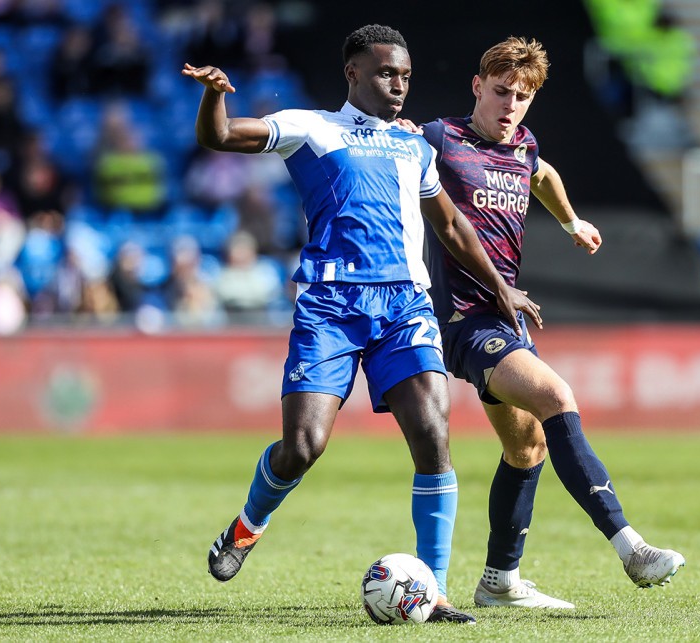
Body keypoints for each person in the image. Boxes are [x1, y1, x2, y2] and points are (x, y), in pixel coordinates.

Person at [182, 24, 542, 624]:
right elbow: (219, 136)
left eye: (404, 75)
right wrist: (216, 93)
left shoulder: (414, 147)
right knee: (303, 448)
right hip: (330, 305)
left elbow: (451, 227)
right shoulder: (311, 127)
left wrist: (501, 289)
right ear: (353, 73)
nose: (398, 85)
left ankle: (436, 590)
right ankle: (248, 525)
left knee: (433, 436)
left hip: (404, 305)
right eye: (384, 73)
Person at [416, 37, 685, 610]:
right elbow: (388, 160)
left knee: (528, 446)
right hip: (464, 320)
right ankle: (631, 548)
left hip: (505, 319)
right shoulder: (439, 139)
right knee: (558, 396)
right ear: (476, 87)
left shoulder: (524, 145)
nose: (509, 106)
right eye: (499, 92)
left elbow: (541, 173)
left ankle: (499, 583)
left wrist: (571, 222)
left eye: (522, 96)